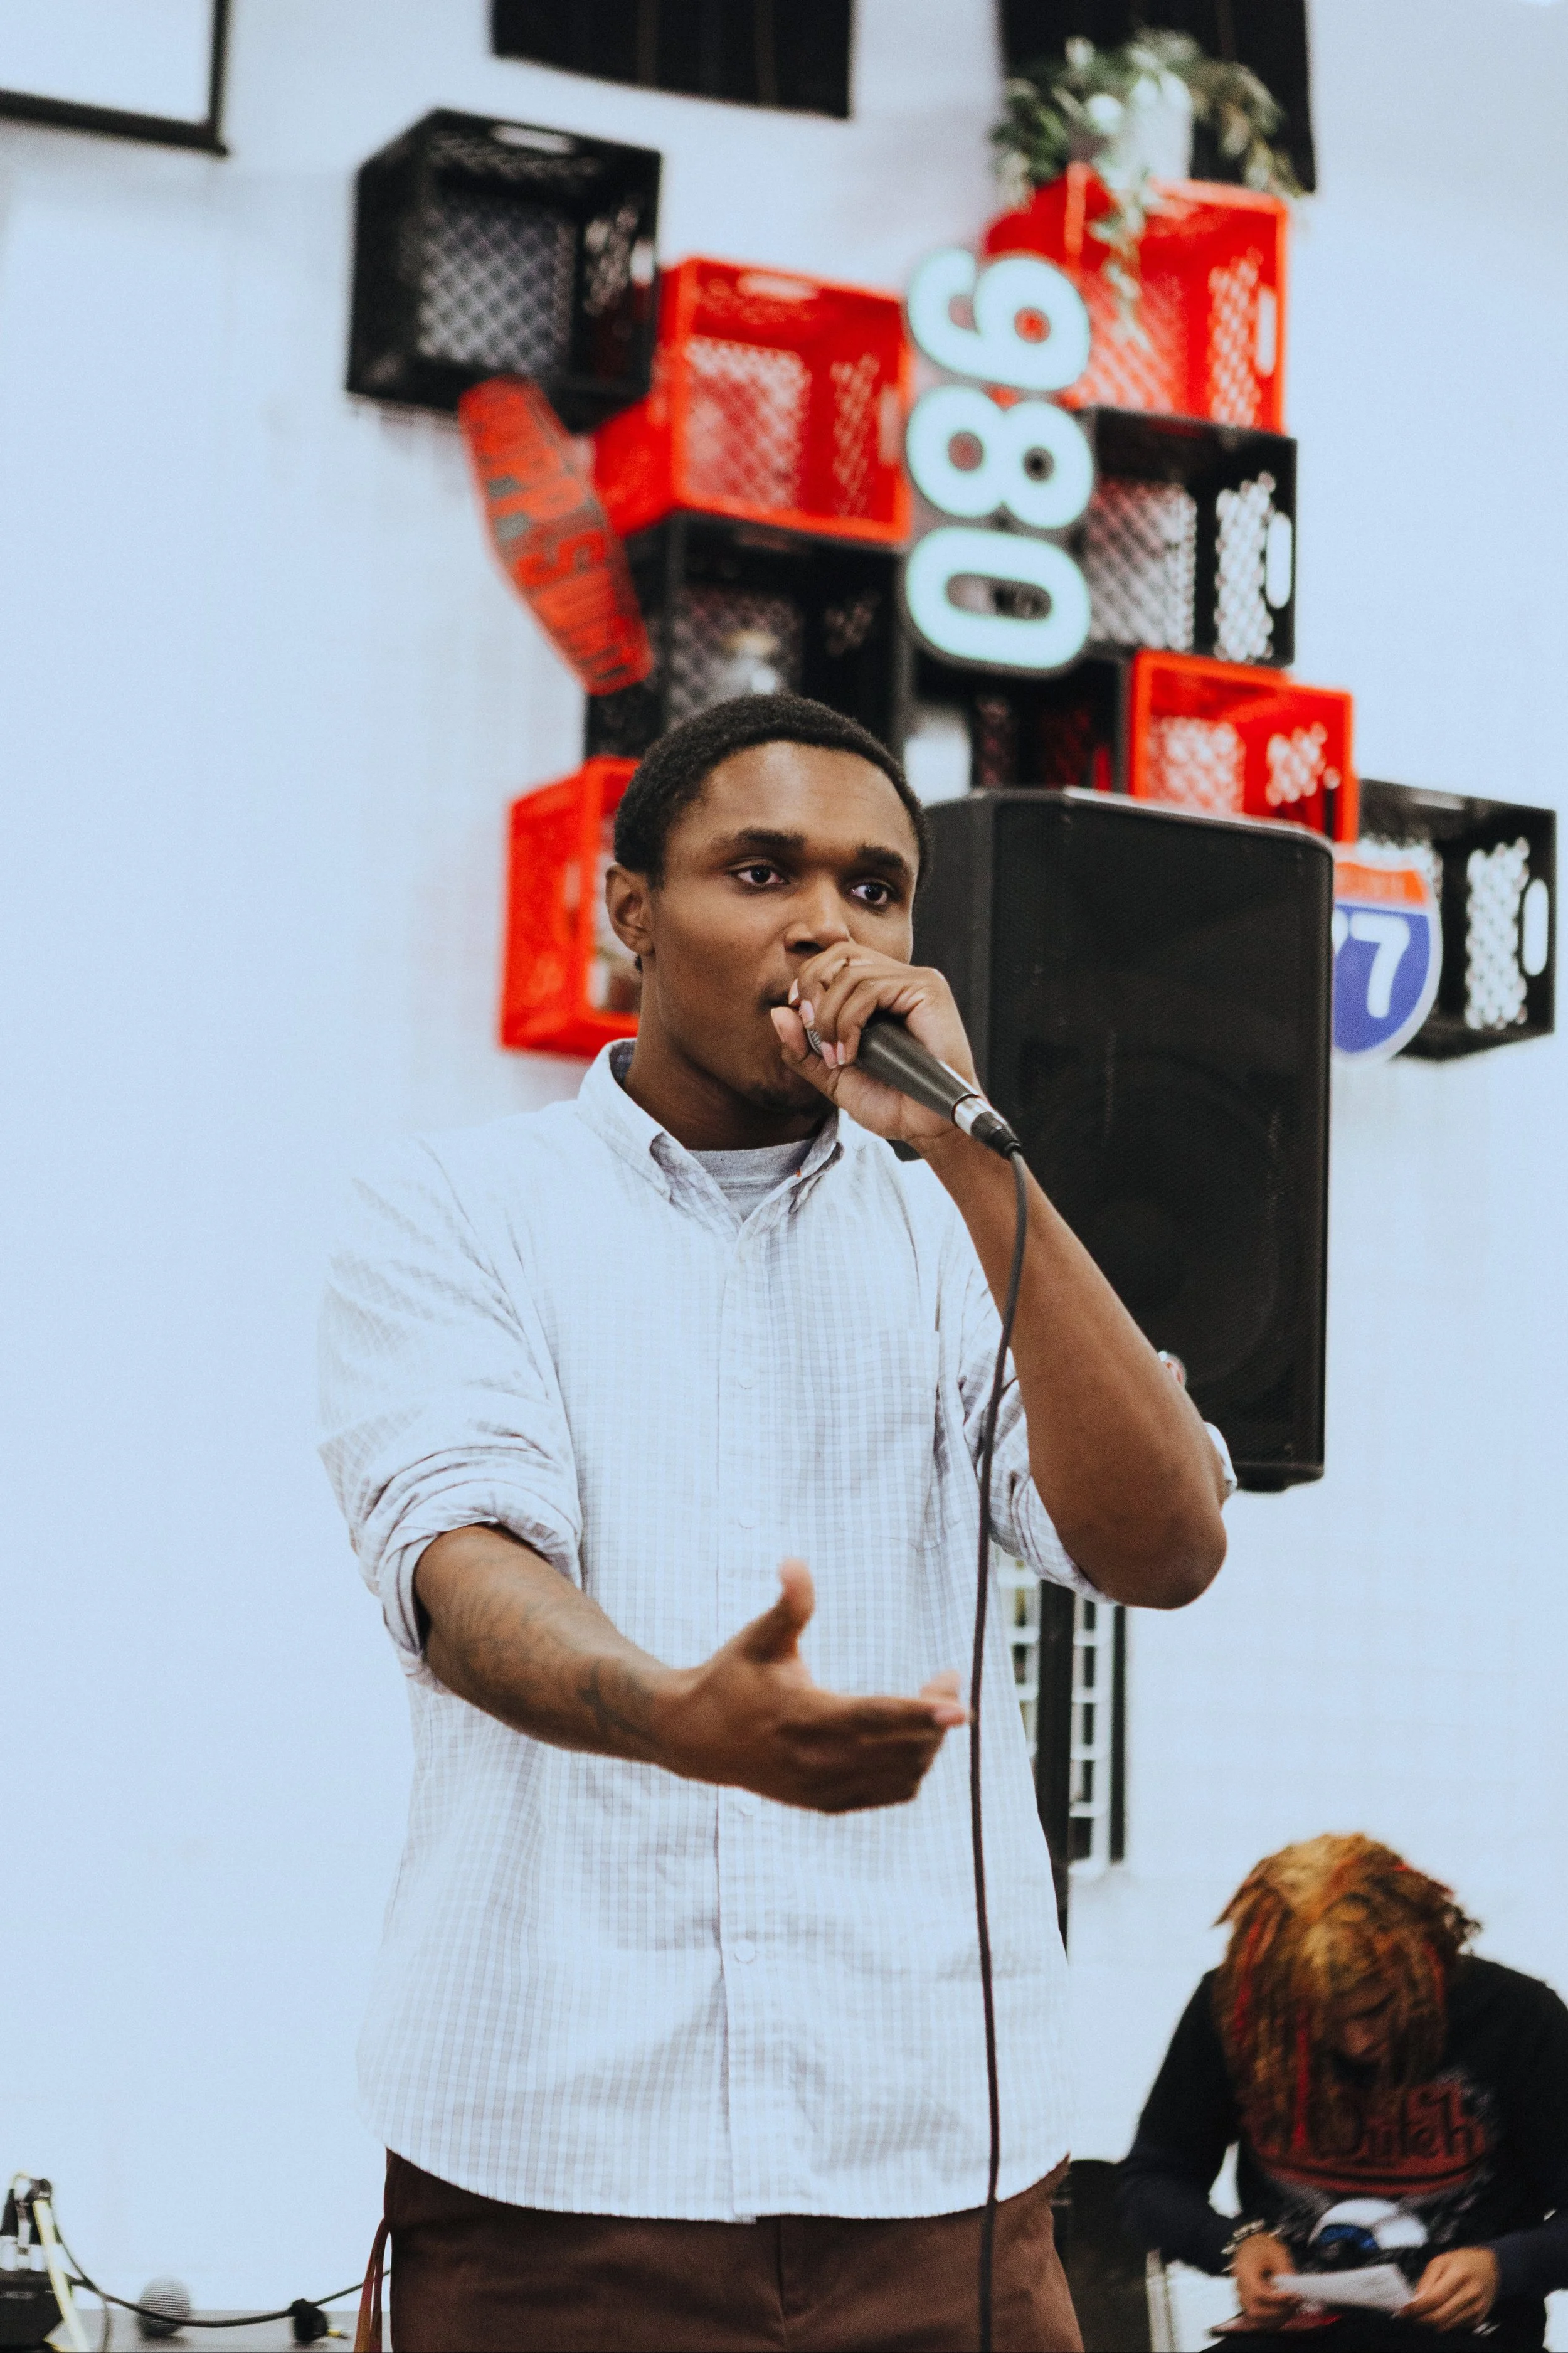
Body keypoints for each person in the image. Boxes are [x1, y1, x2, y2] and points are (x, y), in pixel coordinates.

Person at [320, 693, 1231, 2353]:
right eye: (760, 867)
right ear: (627, 913)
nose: (827, 922)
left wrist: (976, 1159)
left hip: (937, 2185)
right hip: (558, 2185)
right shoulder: (454, 1208)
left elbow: (1162, 1547)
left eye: (876, 888)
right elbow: (457, 1565)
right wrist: (676, 1716)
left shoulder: (964, 1216)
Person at [1119, 1834, 1568, 2350]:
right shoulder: (1238, 2011)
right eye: (1323, 2024)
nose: (1359, 2041)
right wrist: (1234, 2244)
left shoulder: (1518, 2019)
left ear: (1422, 1966)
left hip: (1469, 2338)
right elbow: (1152, 2179)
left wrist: (1504, 2266)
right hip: (1293, 2334)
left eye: (1378, 2009)